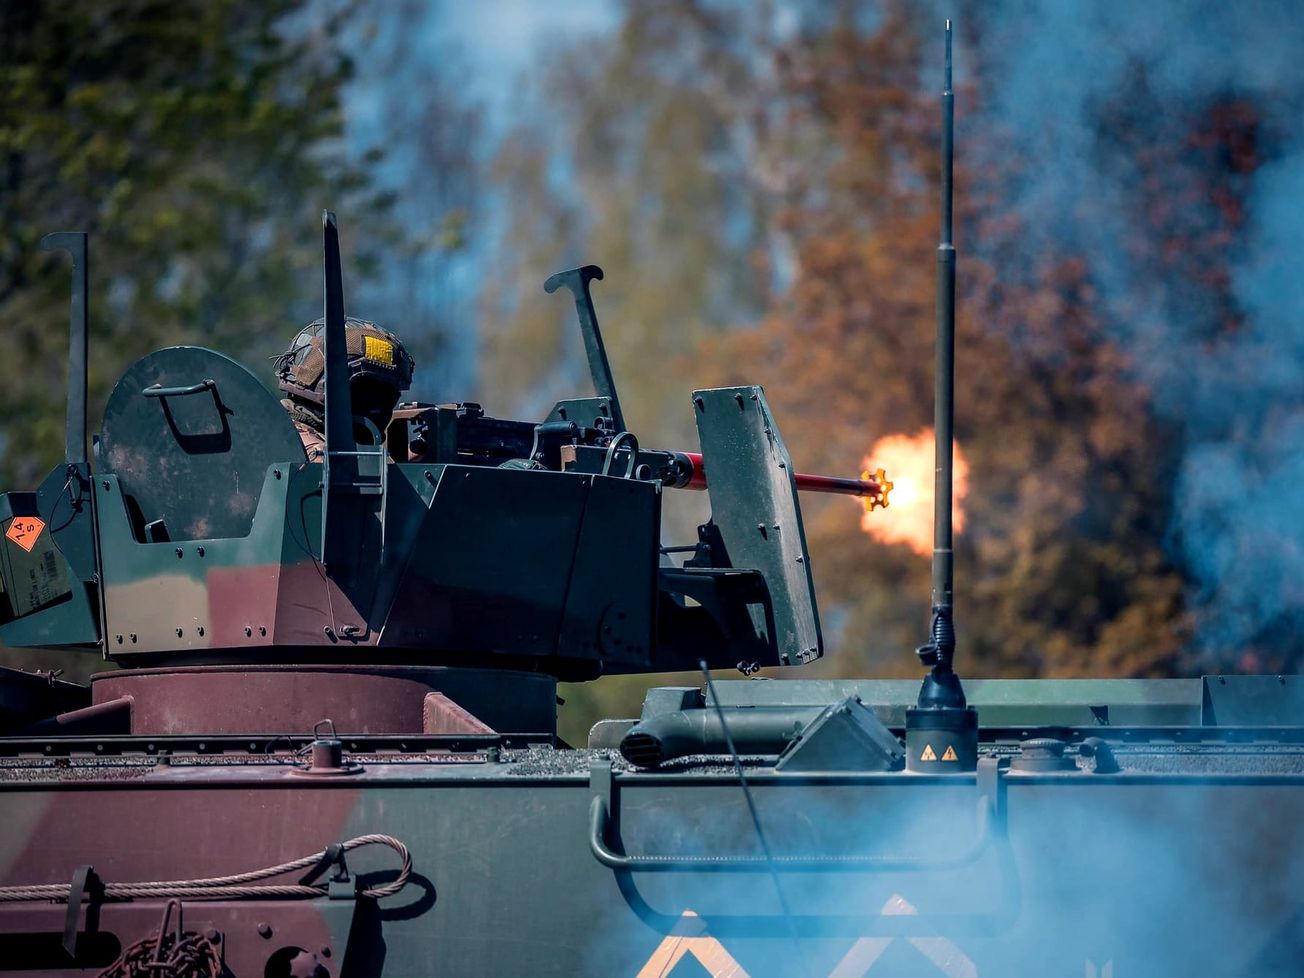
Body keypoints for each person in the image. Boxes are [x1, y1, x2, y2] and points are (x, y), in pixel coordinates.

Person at [273, 317, 415, 461]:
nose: (374, 407)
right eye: (363, 390)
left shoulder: (332, 441)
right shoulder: (287, 439)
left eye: (384, 396)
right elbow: (336, 470)